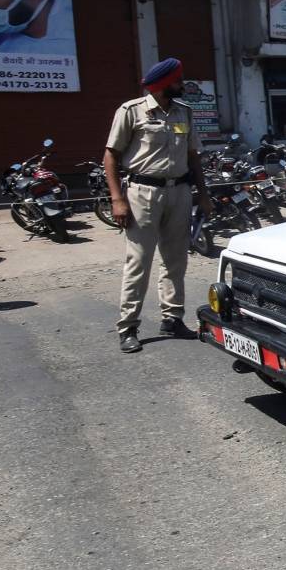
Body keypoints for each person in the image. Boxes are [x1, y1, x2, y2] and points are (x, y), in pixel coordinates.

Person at [104, 58, 215, 353]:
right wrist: (117, 199)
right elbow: (111, 156)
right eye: (178, 81)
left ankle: (172, 318)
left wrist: (202, 195)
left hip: (179, 192)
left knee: (176, 259)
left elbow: (193, 157)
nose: (183, 85)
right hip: (142, 193)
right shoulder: (131, 111)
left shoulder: (184, 113)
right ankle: (128, 326)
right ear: (164, 84)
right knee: (139, 261)